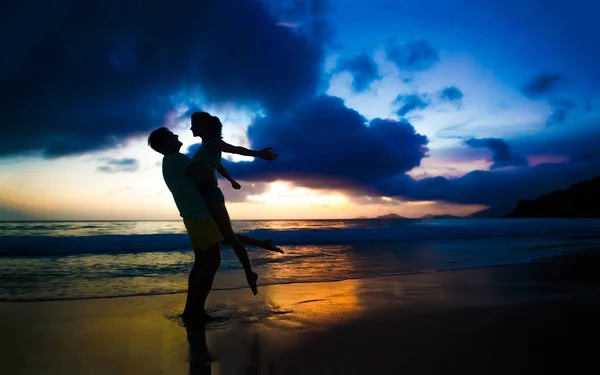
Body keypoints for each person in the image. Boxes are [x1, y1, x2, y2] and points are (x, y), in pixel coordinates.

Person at [188, 111, 278, 296]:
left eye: (194, 124)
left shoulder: (213, 142)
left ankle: (249, 272)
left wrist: (257, 154)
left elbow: (235, 149)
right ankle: (262, 244)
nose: (191, 127)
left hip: (210, 194)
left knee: (227, 235)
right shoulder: (207, 146)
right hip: (206, 196)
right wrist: (231, 180)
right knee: (222, 235)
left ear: (205, 127)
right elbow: (218, 165)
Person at [148, 127, 221, 324]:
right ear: (165, 143)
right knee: (211, 262)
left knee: (201, 263)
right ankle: (196, 311)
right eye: (172, 136)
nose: (177, 136)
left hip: (191, 216)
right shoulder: (177, 159)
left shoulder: (169, 162)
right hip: (199, 216)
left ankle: (192, 310)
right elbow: (205, 173)